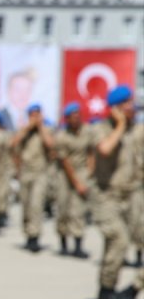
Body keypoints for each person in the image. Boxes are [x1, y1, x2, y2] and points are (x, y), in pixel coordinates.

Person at [91, 85, 144, 299]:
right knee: (119, 240)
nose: (133, 108)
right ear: (117, 108)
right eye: (128, 104)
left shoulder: (138, 131)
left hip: (132, 195)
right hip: (107, 196)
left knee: (118, 244)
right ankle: (107, 291)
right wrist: (120, 125)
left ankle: (117, 290)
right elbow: (105, 149)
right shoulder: (101, 129)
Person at [11, 103, 54, 253]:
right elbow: (13, 144)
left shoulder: (46, 130)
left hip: (40, 173)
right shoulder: (24, 131)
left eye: (37, 115)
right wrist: (28, 128)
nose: (35, 118)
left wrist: (40, 127)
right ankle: (28, 233)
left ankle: (35, 236)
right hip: (25, 173)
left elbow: (50, 145)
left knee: (36, 205)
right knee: (26, 205)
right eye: (32, 115)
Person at [54, 102, 93, 258]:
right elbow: (65, 161)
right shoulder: (62, 136)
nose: (76, 119)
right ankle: (63, 242)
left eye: (78, 116)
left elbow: (91, 153)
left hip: (82, 171)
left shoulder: (87, 132)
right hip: (65, 174)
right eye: (72, 117)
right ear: (67, 119)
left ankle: (78, 245)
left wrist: (89, 173)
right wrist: (76, 182)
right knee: (63, 208)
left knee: (79, 209)